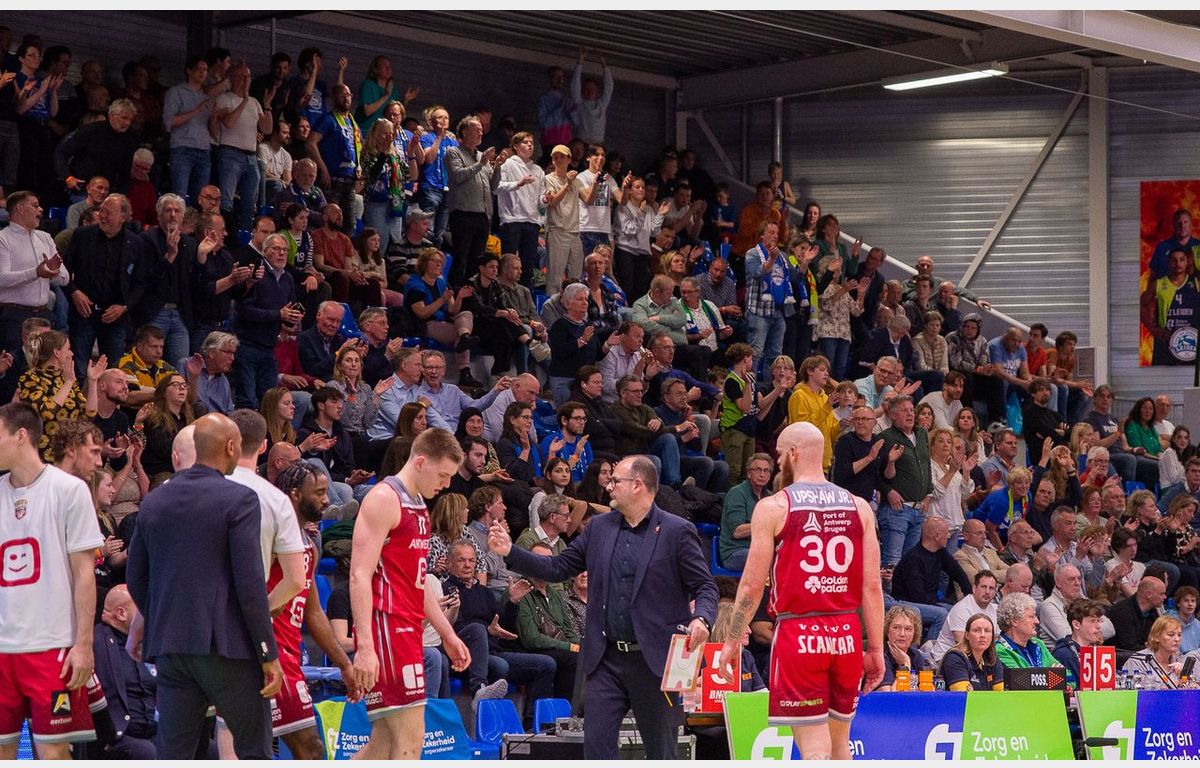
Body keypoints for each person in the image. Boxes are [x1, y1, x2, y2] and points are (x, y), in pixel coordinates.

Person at [489, 455, 717, 760]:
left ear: (637, 485)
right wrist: (511, 551)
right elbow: (558, 567)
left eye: (615, 481)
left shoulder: (677, 531)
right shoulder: (598, 527)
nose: (608, 486)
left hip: (655, 661)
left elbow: (705, 586)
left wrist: (702, 618)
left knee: (661, 753)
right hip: (605, 659)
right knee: (596, 748)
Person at [716, 423, 883, 760]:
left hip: (800, 632)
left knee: (814, 749)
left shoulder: (774, 507)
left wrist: (732, 639)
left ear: (793, 453)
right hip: (846, 634)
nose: (778, 462)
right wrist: (876, 647)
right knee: (841, 746)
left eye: (779, 454)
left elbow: (751, 585)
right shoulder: (859, 507)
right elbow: (872, 586)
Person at [125, 413, 283, 759]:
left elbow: (135, 578)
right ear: (231, 447)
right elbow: (249, 583)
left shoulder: (154, 500)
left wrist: (160, 616)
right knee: (254, 752)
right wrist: (267, 652)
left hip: (171, 648)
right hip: (227, 648)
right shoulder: (239, 499)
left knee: (174, 755)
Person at [348, 429, 471, 759]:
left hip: (407, 627)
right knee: (412, 739)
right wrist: (365, 647)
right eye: (443, 475)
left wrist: (447, 634)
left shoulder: (418, 505)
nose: (446, 484)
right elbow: (359, 575)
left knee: (384, 743)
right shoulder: (384, 499)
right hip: (387, 629)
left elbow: (417, 582)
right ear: (420, 462)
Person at [0, 403, 104, 759]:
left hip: (52, 646)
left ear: (20, 436)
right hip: (3, 648)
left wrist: (84, 644)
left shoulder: (69, 490)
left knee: (54, 753)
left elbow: (84, 573)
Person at [925, 571, 999, 666]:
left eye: (991, 588)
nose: (987, 592)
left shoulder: (996, 609)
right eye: (983, 587)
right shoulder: (962, 609)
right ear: (974, 588)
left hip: (978, 658)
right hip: (945, 660)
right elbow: (964, 646)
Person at [719, 453, 773, 571]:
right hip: (735, 553)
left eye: (766, 471)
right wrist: (768, 525)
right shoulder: (737, 493)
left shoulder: (771, 497)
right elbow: (737, 531)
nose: (762, 474)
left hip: (760, 550)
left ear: (770, 475)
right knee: (770, 558)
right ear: (749, 473)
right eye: (758, 470)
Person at [995, 592, 1060, 670]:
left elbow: (1068, 675)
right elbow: (1019, 677)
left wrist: (1053, 673)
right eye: (1031, 617)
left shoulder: (1038, 643)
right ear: (1014, 621)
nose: (1037, 621)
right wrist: (1053, 673)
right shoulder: (1000, 650)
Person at [1050, 598, 1108, 687]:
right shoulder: (1064, 655)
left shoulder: (1097, 650)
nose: (1098, 626)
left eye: (1099, 620)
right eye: (1092, 621)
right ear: (1076, 624)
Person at [940, 613, 1005, 692]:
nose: (982, 635)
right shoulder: (955, 658)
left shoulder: (993, 659)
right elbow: (964, 696)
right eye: (976, 630)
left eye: (987, 631)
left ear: (992, 636)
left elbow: (1000, 695)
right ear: (967, 635)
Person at [875, 605, 930, 691]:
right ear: (887, 631)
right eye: (896, 628)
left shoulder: (916, 655)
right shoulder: (879, 656)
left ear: (914, 634)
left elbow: (929, 691)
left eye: (908, 629)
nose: (902, 634)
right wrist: (905, 665)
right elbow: (889, 694)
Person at [1121, 615, 1187, 688]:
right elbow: (1140, 692)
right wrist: (1177, 683)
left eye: (1179, 635)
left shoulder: (1181, 659)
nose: (1177, 639)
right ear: (1156, 637)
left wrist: (1183, 679)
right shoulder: (1138, 661)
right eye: (1171, 635)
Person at [1108, 575, 1167, 653]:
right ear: (1148, 594)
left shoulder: (1152, 612)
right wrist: (1155, 648)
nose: (1165, 597)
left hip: (1143, 654)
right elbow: (1129, 646)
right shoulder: (1122, 612)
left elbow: (1157, 638)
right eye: (1161, 594)